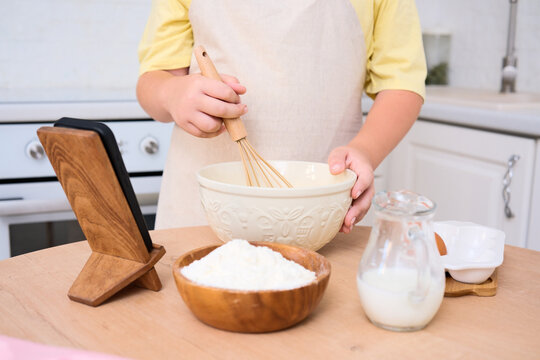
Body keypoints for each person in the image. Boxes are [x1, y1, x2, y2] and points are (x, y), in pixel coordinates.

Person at [136, 0, 426, 233]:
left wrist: (366, 150)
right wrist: (172, 93)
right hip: (201, 213)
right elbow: (154, 80)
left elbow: (401, 85)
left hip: (321, 214)